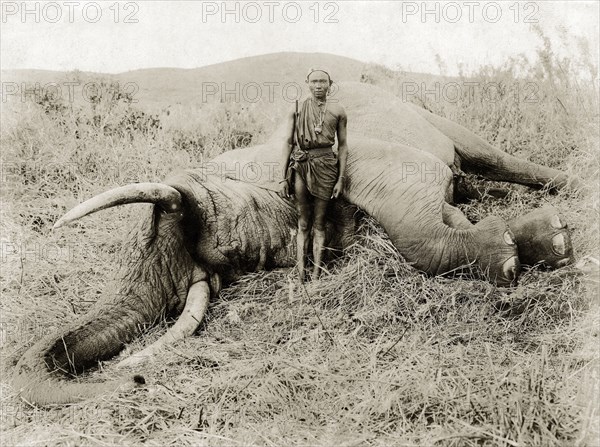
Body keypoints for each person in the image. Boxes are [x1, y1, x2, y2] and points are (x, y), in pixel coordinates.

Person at [279, 68, 348, 281]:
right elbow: (288, 142)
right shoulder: (297, 109)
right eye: (314, 81)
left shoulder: (338, 110)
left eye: (323, 81)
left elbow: (343, 146)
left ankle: (316, 276)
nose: (318, 85)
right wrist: (282, 177)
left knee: (319, 222)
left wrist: (341, 178)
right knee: (302, 222)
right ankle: (300, 275)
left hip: (327, 166)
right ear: (307, 83)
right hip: (301, 165)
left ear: (330, 84)